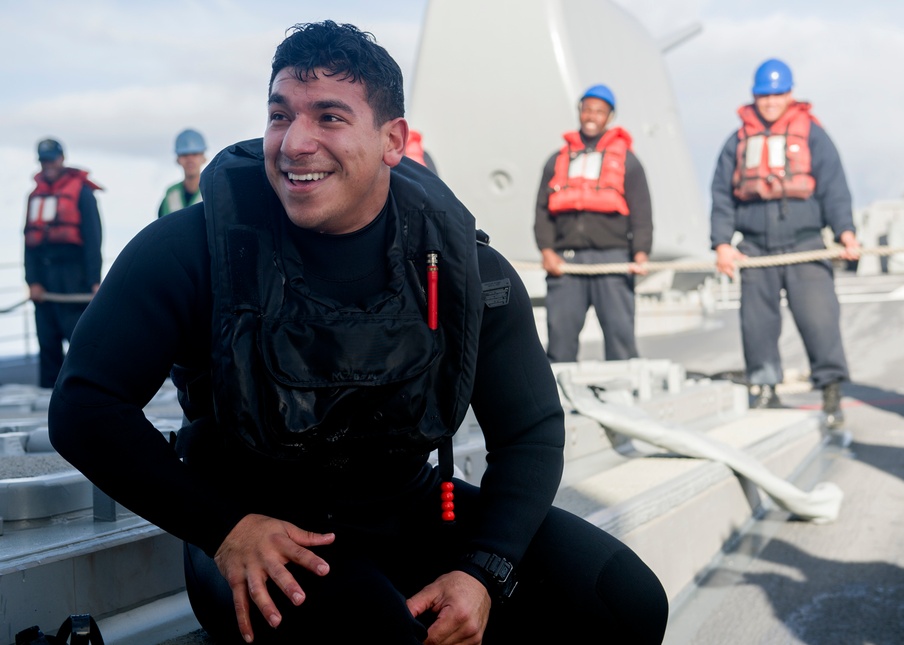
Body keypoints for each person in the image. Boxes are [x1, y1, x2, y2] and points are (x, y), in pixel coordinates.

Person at [48, 21, 668, 645]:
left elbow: (530, 433)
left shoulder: (460, 269)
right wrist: (223, 528)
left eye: (330, 117)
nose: (295, 142)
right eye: (279, 115)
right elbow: (85, 406)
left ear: (392, 139)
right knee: (377, 634)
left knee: (624, 602)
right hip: (255, 532)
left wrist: (482, 572)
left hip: (408, 505)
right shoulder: (194, 251)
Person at [709, 59, 860, 427]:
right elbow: (722, 196)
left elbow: (834, 187)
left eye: (778, 94)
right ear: (754, 96)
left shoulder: (812, 135)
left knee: (819, 318)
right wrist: (722, 244)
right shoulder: (737, 142)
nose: (771, 101)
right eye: (764, 95)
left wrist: (846, 232)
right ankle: (764, 387)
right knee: (757, 322)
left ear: (790, 94)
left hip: (805, 243)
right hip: (756, 247)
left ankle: (830, 391)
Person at [533, 84, 653, 363]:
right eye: (587, 109)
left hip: (613, 259)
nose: (591, 116)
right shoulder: (556, 161)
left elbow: (642, 211)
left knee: (619, 332)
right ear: (579, 111)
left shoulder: (628, 162)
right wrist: (547, 251)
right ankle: (560, 397)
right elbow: (541, 211)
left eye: (599, 111)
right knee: (560, 335)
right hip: (567, 261)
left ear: (609, 117)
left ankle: (621, 393)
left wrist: (641, 253)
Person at [24, 138, 103, 389]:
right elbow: (28, 243)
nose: (48, 164)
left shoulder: (82, 193)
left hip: (74, 279)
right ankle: (49, 401)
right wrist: (32, 281)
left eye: (52, 159)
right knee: (47, 346)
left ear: (62, 159)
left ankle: (89, 395)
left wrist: (94, 281)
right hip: (45, 283)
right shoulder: (34, 196)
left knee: (80, 345)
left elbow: (93, 239)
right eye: (44, 160)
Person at [158, 128, 208, 218]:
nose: (190, 160)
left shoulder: (212, 192)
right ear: (178, 159)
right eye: (184, 155)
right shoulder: (171, 194)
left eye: (195, 154)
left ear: (204, 158)